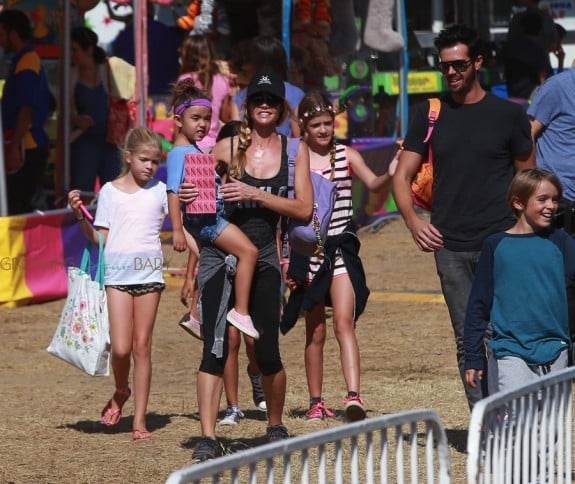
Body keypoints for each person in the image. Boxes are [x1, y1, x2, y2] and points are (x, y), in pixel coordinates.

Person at [392, 24, 534, 410]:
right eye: (445, 67)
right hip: (450, 247)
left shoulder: (509, 115)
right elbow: (401, 176)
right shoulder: (430, 114)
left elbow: (529, 179)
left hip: (502, 243)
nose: (452, 73)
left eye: (459, 65)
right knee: (468, 341)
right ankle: (485, 425)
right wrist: (413, 220)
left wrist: (529, 237)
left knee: (507, 335)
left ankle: (513, 416)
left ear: (478, 62)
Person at [178, 71, 313, 461]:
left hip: (266, 256)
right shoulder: (226, 147)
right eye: (258, 100)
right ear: (248, 107)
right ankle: (207, 437)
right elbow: (196, 198)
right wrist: (189, 194)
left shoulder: (293, 150)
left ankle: (274, 425)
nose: (265, 105)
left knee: (267, 349)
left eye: (271, 99)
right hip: (222, 256)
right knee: (215, 350)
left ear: (282, 108)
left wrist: (255, 193)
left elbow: (303, 208)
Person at [282, 91, 394, 422]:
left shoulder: (346, 155)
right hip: (308, 253)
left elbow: (374, 183)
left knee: (344, 322)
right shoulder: (295, 159)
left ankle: (353, 397)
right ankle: (315, 401)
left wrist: (394, 168)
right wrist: (287, 258)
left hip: (340, 251)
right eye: (316, 125)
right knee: (314, 330)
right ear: (303, 126)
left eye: (328, 124)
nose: (323, 130)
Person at [67, 127, 167, 440]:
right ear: (128, 157)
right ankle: (122, 390)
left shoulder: (161, 191)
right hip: (118, 277)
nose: (149, 166)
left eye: (155, 161)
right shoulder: (109, 191)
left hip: (150, 276)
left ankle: (140, 421)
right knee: (121, 348)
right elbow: (100, 238)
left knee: (142, 347)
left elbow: (181, 221)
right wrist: (80, 216)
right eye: (143, 159)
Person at [464, 168, 573, 394]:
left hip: (556, 349)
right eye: (542, 199)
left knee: (550, 426)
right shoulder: (496, 245)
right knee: (515, 422)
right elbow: (478, 305)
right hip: (510, 350)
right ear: (518, 203)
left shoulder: (561, 241)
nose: (551, 206)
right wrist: (473, 356)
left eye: (554, 200)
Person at [166, 79, 260, 339]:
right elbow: (172, 192)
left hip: (209, 217)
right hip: (208, 222)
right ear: (178, 120)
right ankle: (241, 311)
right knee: (249, 252)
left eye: (207, 119)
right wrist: (176, 230)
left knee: (219, 262)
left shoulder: (194, 150)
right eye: (195, 118)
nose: (203, 124)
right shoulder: (178, 153)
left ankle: (196, 317)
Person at [527, 67, 575, 347]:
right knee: (561, 282)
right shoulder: (557, 88)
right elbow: (526, 135)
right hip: (561, 203)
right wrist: (536, 189)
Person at [0, 9, 51, 215]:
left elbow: (26, 107)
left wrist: (14, 148)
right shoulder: (21, 59)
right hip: (22, 145)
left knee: (18, 206)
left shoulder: (28, 60)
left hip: (27, 148)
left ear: (12, 33)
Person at [69, 26, 122, 192]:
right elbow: (65, 111)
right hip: (84, 142)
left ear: (89, 50)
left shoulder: (107, 71)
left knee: (114, 193)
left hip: (111, 143)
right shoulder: (71, 75)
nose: (71, 54)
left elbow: (124, 101)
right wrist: (77, 119)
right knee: (81, 194)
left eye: (75, 50)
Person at [230, 35, 304, 138]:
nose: (244, 66)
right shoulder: (296, 94)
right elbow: (299, 138)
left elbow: (236, 136)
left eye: (248, 60)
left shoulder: (239, 97)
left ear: (257, 64)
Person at [177, 33, 232, 150]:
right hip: (214, 144)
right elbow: (226, 116)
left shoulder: (185, 80)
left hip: (190, 145)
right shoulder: (223, 80)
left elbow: (178, 117)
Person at [501, 11, 552, 100]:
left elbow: (496, 64)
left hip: (513, 95)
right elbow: (543, 77)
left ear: (521, 28)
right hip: (531, 96)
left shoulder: (509, 47)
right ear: (540, 31)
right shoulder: (538, 51)